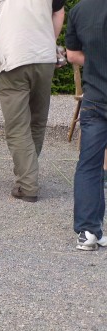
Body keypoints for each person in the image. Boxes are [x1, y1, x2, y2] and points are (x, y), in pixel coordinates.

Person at [0, 0, 65, 203]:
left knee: (18, 126)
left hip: (13, 60)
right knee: (37, 121)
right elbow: (59, 12)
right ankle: (28, 175)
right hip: (45, 59)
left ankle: (27, 185)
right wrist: (48, 39)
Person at [65, 0, 107, 250]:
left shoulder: (80, 10)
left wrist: (95, 62)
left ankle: (89, 231)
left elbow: (72, 54)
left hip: (95, 98)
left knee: (89, 166)